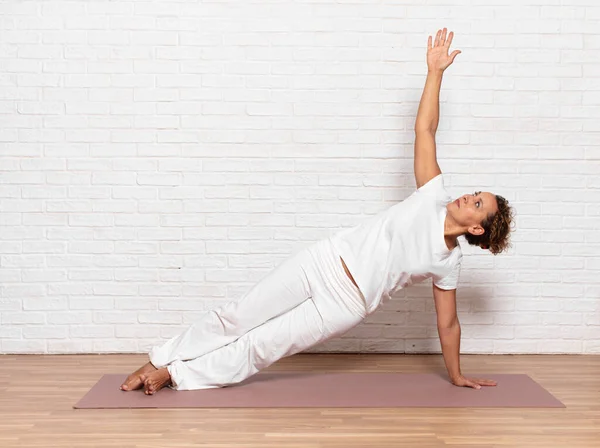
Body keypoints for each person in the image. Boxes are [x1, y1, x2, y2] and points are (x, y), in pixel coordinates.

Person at [120, 28, 514, 395]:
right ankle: (158, 357)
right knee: (237, 316)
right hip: (323, 261)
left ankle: (176, 373)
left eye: (478, 204)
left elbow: (448, 325)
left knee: (262, 346)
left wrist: (457, 375)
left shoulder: (448, 262)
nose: (469, 197)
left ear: (477, 229)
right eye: (476, 192)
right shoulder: (432, 193)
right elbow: (425, 130)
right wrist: (434, 73)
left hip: (345, 305)